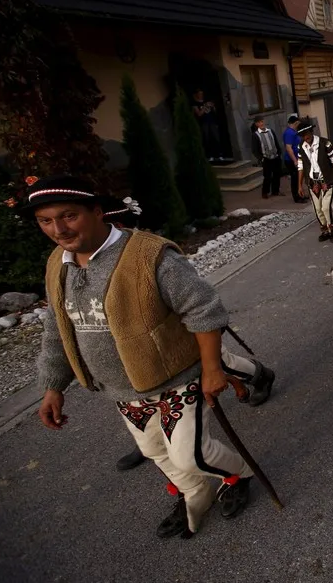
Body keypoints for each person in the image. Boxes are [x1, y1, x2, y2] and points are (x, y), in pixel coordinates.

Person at [29, 177, 265, 539]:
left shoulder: (149, 255)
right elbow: (57, 328)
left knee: (191, 455)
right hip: (124, 389)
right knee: (156, 450)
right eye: (46, 221)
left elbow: (204, 311)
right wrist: (53, 386)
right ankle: (195, 493)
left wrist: (213, 369)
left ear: (96, 211)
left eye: (68, 216)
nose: (58, 229)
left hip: (176, 378)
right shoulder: (56, 264)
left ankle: (240, 474)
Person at [97, 195, 276, 473]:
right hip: (131, 353)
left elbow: (198, 302)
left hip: (174, 336)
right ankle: (151, 436)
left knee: (218, 362)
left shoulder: (146, 254)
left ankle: (258, 374)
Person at [295, 118, 333, 243]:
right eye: (302, 135)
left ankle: (332, 231)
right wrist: (299, 185)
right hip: (312, 182)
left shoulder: (325, 144)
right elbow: (300, 166)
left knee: (326, 208)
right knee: (318, 209)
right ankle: (324, 230)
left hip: (327, 180)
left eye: (307, 134)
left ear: (311, 132)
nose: (305, 137)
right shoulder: (301, 147)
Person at [192, 88, 231, 164]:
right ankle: (210, 155)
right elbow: (199, 114)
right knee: (207, 139)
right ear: (197, 95)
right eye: (199, 94)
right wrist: (204, 107)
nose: (201, 96)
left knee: (216, 138)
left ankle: (220, 155)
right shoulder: (195, 104)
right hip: (204, 124)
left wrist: (213, 106)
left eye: (202, 94)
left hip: (212, 122)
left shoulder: (207, 100)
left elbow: (215, 112)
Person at [250, 115, 283, 199]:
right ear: (256, 124)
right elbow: (254, 149)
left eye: (262, 121)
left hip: (275, 156)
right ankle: (265, 192)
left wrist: (279, 153)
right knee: (267, 176)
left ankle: (275, 191)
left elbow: (276, 142)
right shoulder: (256, 135)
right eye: (259, 122)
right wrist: (261, 158)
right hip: (266, 158)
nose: (261, 123)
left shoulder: (270, 131)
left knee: (277, 174)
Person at [282, 113, 307, 203]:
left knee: (299, 178)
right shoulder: (289, 133)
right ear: (295, 123)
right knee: (295, 179)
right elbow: (288, 148)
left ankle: (301, 194)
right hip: (291, 160)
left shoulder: (294, 132)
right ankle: (297, 197)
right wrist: (295, 161)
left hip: (298, 158)